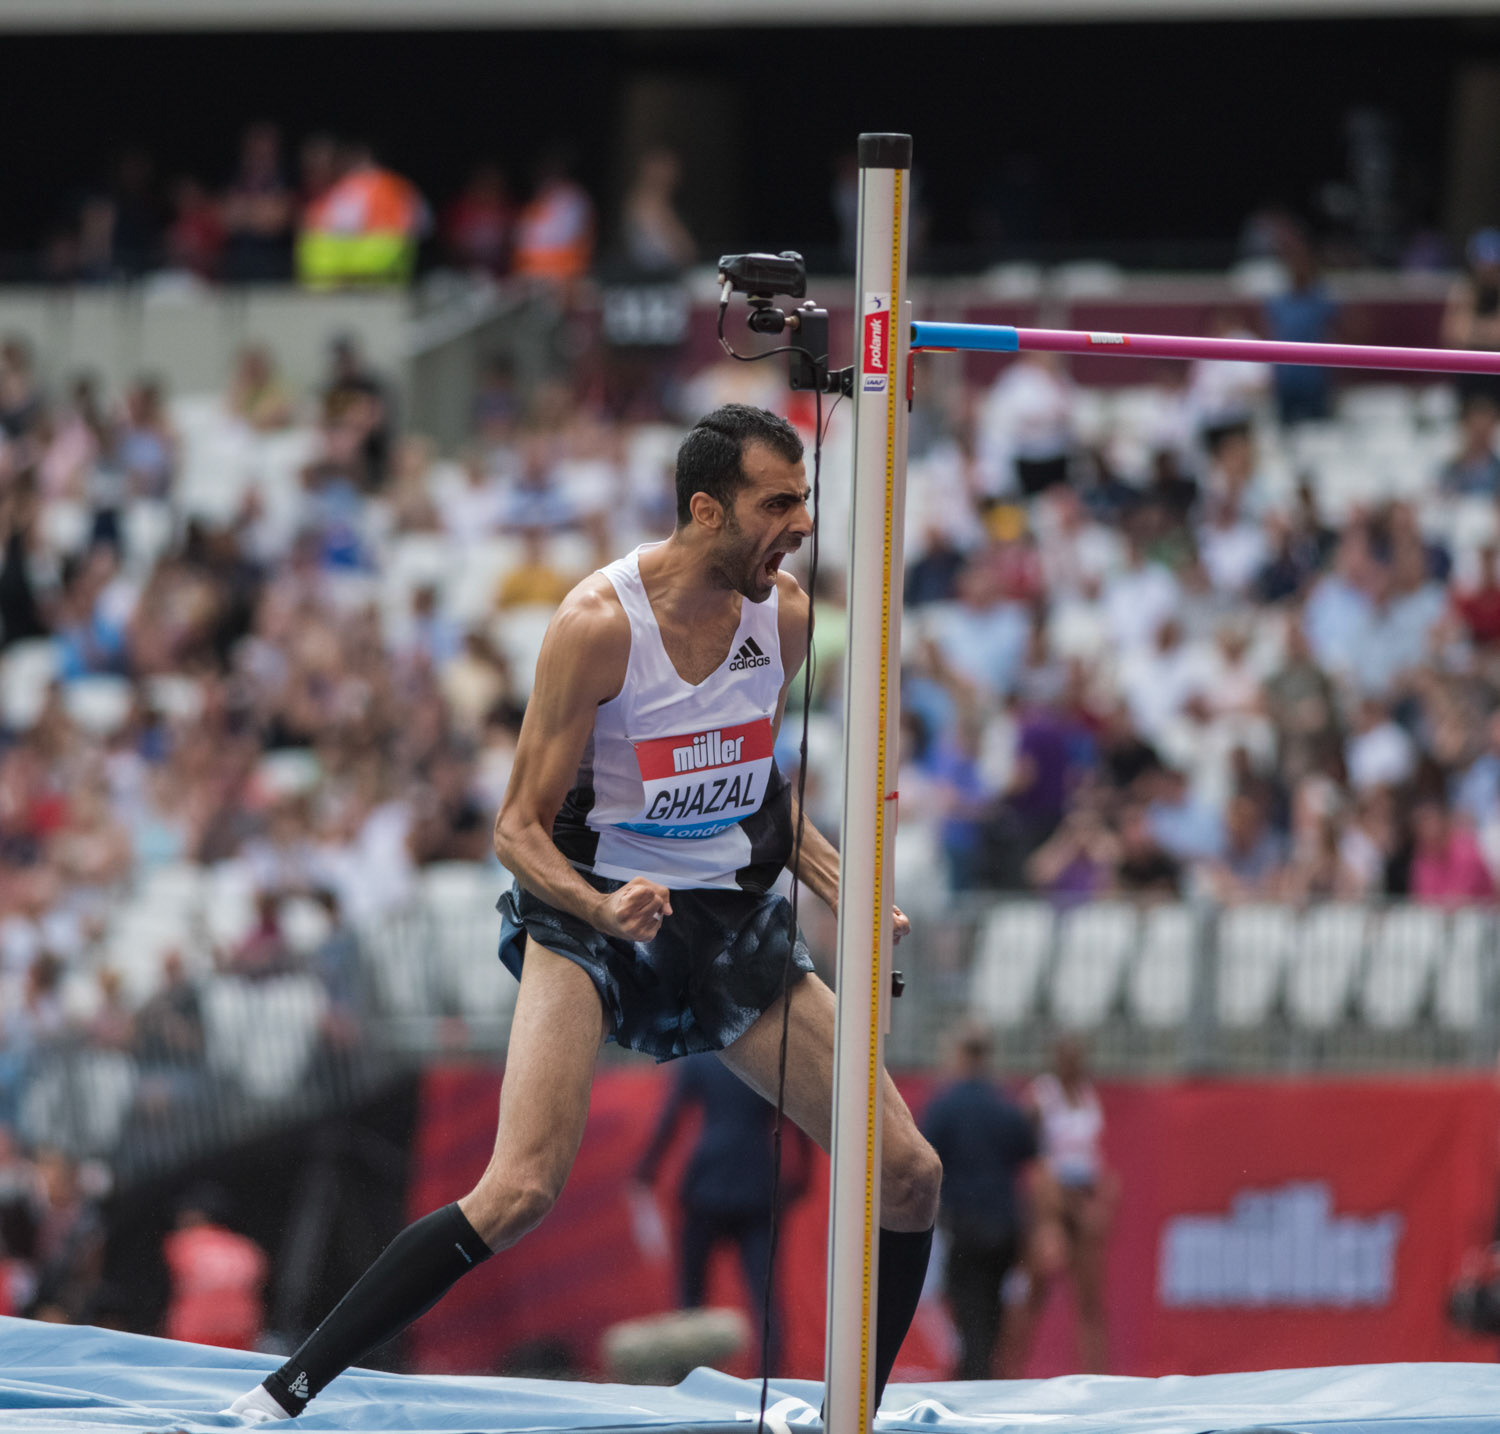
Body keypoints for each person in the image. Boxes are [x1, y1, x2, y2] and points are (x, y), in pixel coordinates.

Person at [226, 404, 940, 1422]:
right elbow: (515, 831)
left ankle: (851, 1420)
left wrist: (848, 891)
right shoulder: (597, 627)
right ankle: (283, 1394)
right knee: (517, 1192)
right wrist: (604, 908)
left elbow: (760, 786)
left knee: (909, 1173)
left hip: (725, 918)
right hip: (591, 915)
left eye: (805, 499)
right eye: (779, 503)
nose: (802, 523)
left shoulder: (781, 617)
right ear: (705, 509)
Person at [633, 1051, 811, 1371]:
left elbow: (671, 1116)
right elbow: (801, 1121)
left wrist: (647, 1169)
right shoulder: (770, 1061)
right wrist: (801, 1178)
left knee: (691, 1296)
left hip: (706, 1184)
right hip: (758, 1185)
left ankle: (688, 1380)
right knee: (766, 1297)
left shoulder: (701, 1058)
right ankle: (769, 1384)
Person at [920, 1025, 1051, 1381]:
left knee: (969, 1309)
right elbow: (1035, 1167)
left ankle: (974, 1384)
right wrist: (1039, 1227)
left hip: (966, 1225)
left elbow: (921, 1164)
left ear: (959, 1056)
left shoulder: (944, 1107)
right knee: (991, 1307)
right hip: (1005, 1226)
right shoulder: (1007, 1108)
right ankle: (980, 1374)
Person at [1018, 1035, 1117, 1373]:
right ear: (1057, 1059)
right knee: (1034, 1292)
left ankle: (1098, 1377)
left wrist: (1101, 1198)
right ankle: (1009, 1371)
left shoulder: (1089, 1095)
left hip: (1083, 1194)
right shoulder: (1041, 1096)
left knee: (1091, 1300)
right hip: (1052, 1201)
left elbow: (1094, 1154)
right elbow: (1031, 1156)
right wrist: (1049, 1216)